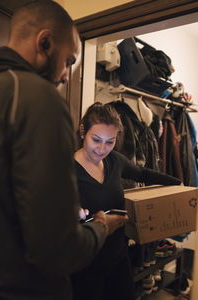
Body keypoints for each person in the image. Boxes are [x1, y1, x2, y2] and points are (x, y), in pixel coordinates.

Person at [0, 1, 128, 300]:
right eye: (69, 61)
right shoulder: (37, 97)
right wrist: (100, 227)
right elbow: (58, 250)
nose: (67, 76)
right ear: (44, 42)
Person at [71, 102, 182, 300]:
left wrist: (180, 185)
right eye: (96, 140)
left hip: (118, 258)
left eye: (110, 141)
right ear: (83, 132)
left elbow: (143, 173)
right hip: (86, 267)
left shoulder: (115, 161)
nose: (102, 149)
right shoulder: (67, 169)